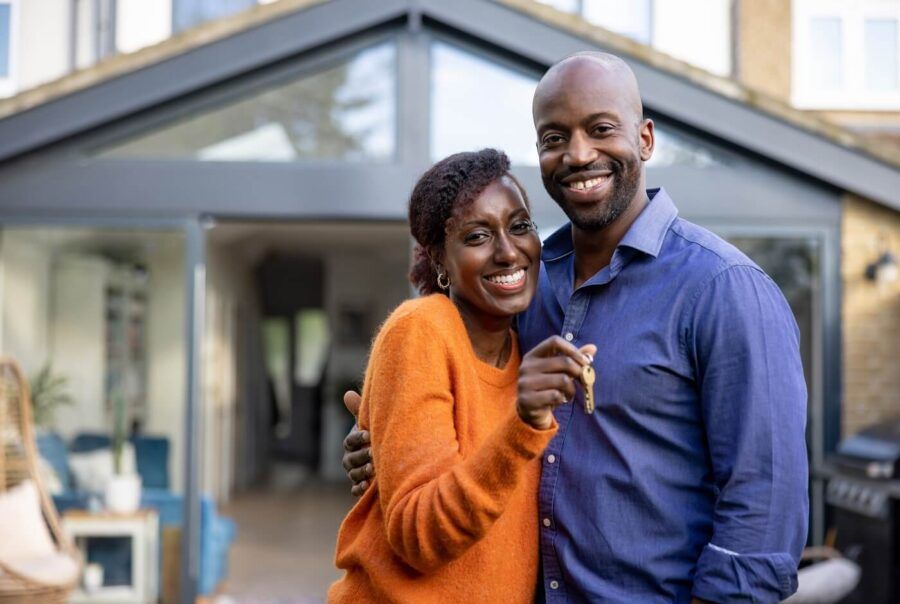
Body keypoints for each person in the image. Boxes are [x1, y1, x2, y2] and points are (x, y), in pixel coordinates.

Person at [343, 52, 809, 603]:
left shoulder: (723, 289)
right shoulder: (529, 288)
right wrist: (390, 447)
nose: (579, 154)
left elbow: (764, 504)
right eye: (554, 137)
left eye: (601, 129)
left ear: (646, 139)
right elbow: (473, 425)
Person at [329, 148, 596, 603]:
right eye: (477, 236)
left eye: (520, 226)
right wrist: (523, 425)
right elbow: (420, 535)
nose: (508, 251)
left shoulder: (523, 347)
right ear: (439, 260)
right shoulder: (421, 329)